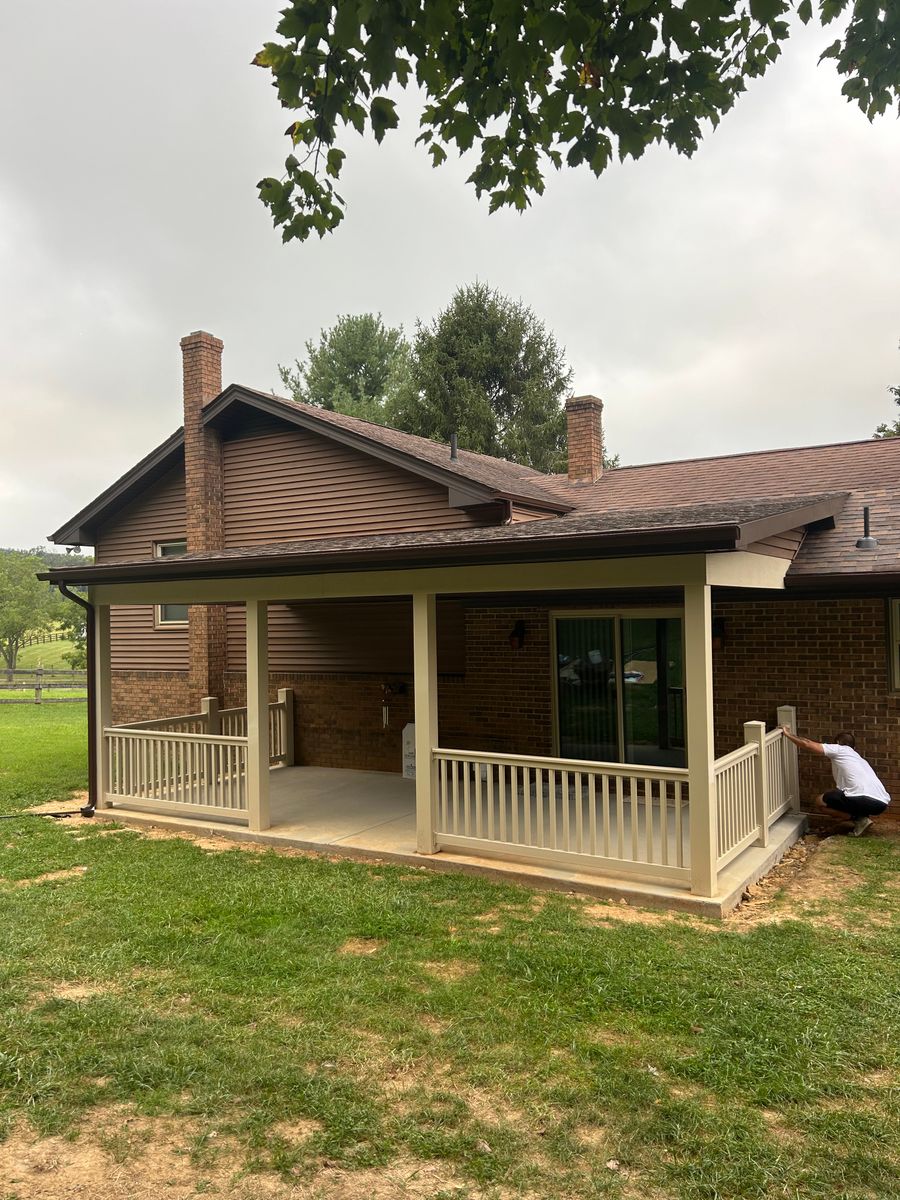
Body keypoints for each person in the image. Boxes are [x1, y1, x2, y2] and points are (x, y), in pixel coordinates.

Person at [780, 727, 890, 836]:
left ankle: (859, 819)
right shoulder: (860, 760)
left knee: (820, 801)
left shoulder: (840, 749)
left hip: (862, 799)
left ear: (837, 743)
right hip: (880, 804)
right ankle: (860, 819)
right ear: (854, 747)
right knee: (844, 798)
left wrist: (787, 734)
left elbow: (807, 744)